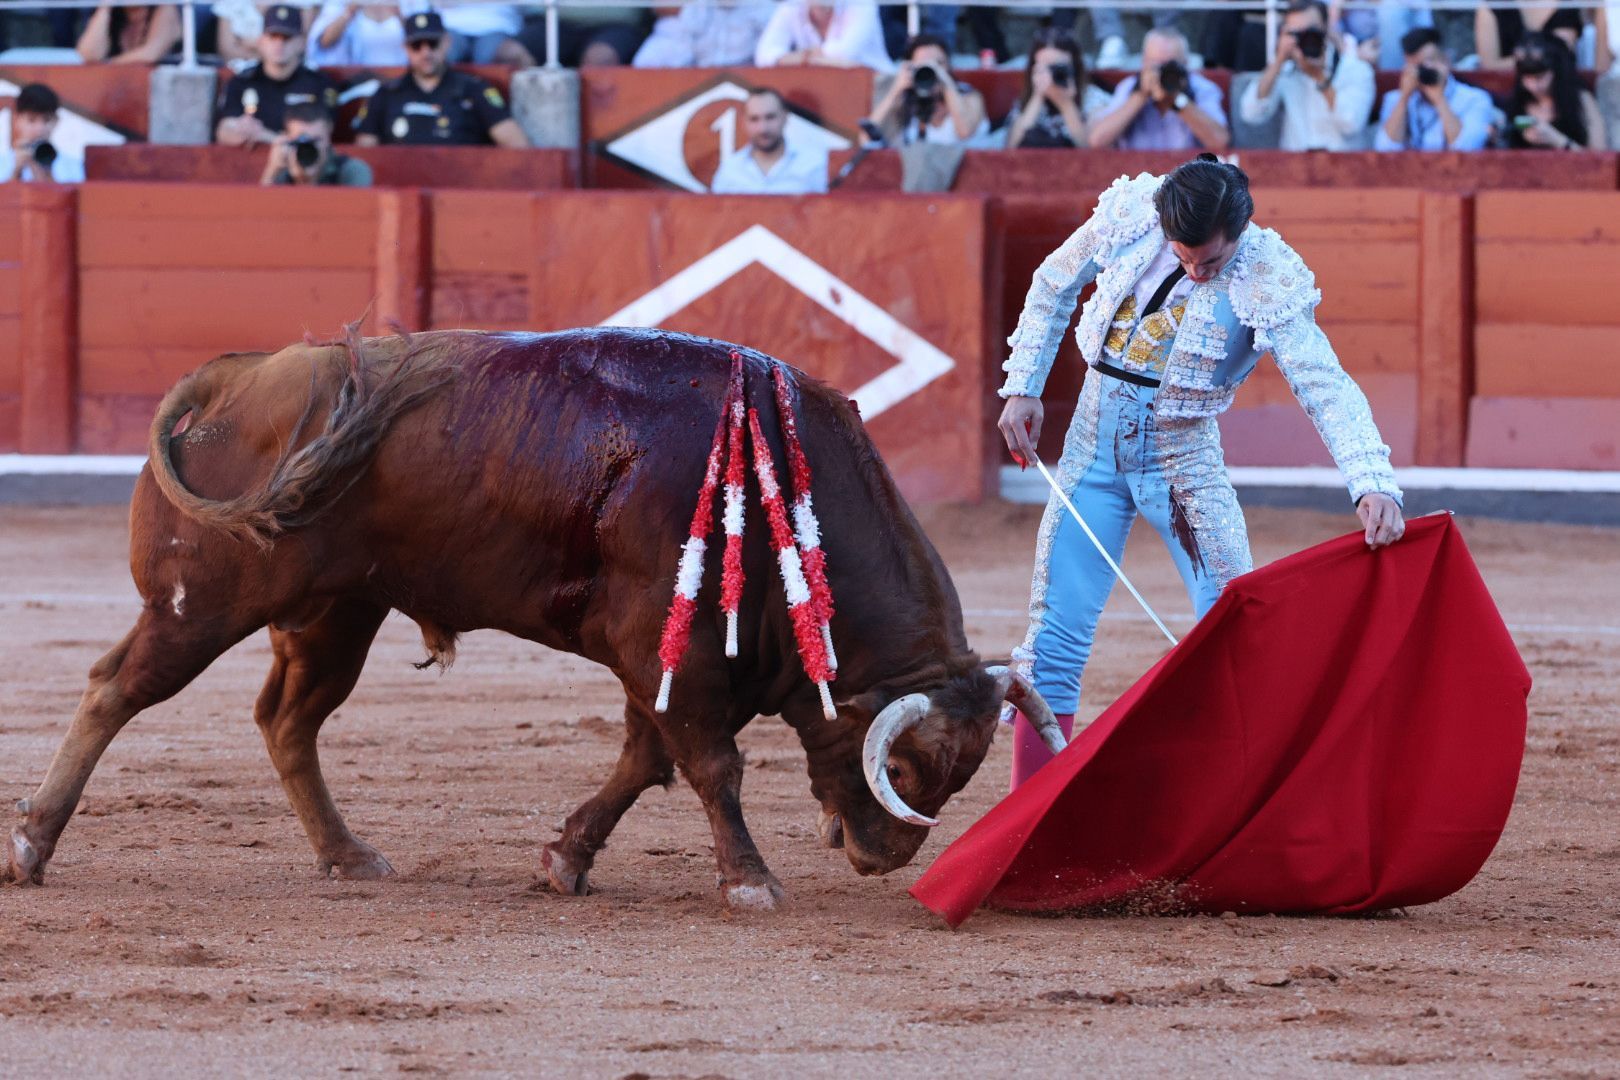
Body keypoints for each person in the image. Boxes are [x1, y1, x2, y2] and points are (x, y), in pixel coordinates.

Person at [997, 157, 1405, 788]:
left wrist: (1370, 477)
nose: (1193, 270)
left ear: (1238, 233)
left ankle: (1238, 805)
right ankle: (1028, 815)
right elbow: (1053, 282)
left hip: (1182, 465)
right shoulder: (1136, 213)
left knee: (1233, 631)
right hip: (1090, 449)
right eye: (1182, 254)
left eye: (1209, 262)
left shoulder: (1266, 271)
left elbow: (1322, 382)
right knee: (1051, 639)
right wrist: (1023, 386)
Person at [354, 11, 529, 147]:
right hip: (398, 190)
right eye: (417, 45)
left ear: (447, 43)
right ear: (405, 48)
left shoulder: (474, 90)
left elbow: (517, 146)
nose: (426, 53)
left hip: (463, 187)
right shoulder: (385, 94)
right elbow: (365, 154)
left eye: (433, 43)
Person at [1240, 0, 1376, 150]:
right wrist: (1278, 60)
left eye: (1310, 33)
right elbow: (1250, 113)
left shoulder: (1356, 69)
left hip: (1344, 167)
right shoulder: (1284, 71)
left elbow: (1350, 125)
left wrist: (1320, 79)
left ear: (1326, 28)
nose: (1303, 40)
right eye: (1295, 33)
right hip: (1296, 168)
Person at [1088, 28, 1231, 150]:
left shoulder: (1202, 88)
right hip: (1137, 175)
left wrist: (1177, 100)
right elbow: (1097, 141)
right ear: (1144, 62)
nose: (1162, 73)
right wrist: (1140, 96)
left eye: (1170, 66)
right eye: (1156, 65)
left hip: (1186, 178)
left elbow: (1220, 142)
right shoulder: (1129, 87)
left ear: (1186, 63)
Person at [216, 5, 338, 148]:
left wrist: (264, 135)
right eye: (273, 36)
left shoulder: (320, 83)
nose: (279, 44)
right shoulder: (242, 82)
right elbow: (223, 131)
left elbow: (320, 136)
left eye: (287, 38)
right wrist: (239, 130)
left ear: (301, 43)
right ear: (261, 41)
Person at [1374, 27, 1493, 150]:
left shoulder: (1475, 99)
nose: (1425, 70)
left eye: (1431, 61)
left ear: (1446, 60)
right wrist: (1404, 99)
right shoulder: (1394, 99)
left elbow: (1467, 148)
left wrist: (1439, 99)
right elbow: (1384, 149)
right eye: (1418, 66)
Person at [864, 33, 989, 145]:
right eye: (923, 64)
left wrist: (946, 83)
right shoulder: (906, 103)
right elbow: (866, 139)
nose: (931, 70)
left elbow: (965, 132)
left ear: (949, 66)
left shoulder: (970, 96)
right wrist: (896, 90)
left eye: (939, 63)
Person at [1005, 27, 1112, 149]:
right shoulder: (1026, 99)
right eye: (1044, 68)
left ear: (1074, 67)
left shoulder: (1093, 98)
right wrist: (1037, 96)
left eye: (1058, 68)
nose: (1051, 75)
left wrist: (1066, 105)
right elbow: (1011, 149)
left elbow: (1092, 151)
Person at [1500, 32, 1607, 150]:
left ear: (1557, 71)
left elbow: (1600, 159)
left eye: (1540, 77)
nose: (1534, 86)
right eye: (1527, 78)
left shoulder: (1581, 100)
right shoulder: (1516, 104)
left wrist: (1558, 140)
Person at [710, 88, 828, 193]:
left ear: (785, 117)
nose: (763, 128)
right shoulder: (730, 170)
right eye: (754, 119)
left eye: (770, 117)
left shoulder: (814, 164)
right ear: (744, 123)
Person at [754, 1, 894, 71]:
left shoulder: (861, 3)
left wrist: (800, 58)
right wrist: (807, 58)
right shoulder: (791, 7)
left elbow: (845, 52)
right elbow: (763, 56)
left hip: (876, 84)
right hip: (825, 87)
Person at [260, 103, 374, 186]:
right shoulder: (281, 170)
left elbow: (353, 215)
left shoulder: (352, 170)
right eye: (302, 140)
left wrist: (309, 181)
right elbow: (258, 214)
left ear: (328, 138)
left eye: (316, 140)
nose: (309, 146)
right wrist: (272, 170)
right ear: (288, 139)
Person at [633, 0, 769, 67]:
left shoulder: (764, 8)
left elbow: (770, 55)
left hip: (749, 83)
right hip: (698, 82)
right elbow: (646, 61)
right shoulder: (696, 8)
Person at [2, 83, 85, 184]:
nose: (39, 129)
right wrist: (16, 172)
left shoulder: (73, 166)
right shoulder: (3, 163)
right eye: (31, 120)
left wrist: (47, 174)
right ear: (17, 120)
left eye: (47, 120)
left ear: (56, 121)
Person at [1475, 0, 1582, 71]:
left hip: (1560, 91)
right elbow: (1489, 66)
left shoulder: (1567, 5)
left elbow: (1560, 56)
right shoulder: (1492, 5)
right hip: (1503, 93)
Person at [308, 1, 408, 67]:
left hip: (403, 82)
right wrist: (350, 11)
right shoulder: (339, 3)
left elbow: (420, 33)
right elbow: (324, 42)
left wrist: (400, 14)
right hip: (355, 81)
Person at [74, 2, 181, 63]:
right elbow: (89, 55)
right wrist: (105, 9)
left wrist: (107, 65)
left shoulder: (165, 9)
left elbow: (150, 55)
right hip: (119, 91)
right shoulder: (113, 16)